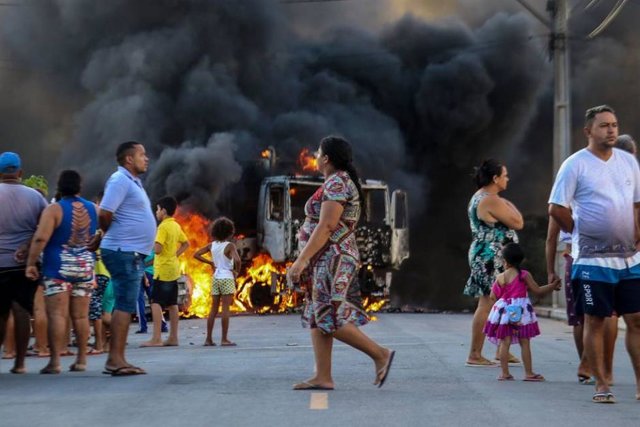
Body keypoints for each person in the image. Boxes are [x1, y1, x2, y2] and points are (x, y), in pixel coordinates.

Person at [287, 136, 394, 390]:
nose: (314, 155)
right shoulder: (337, 182)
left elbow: (327, 226)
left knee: (329, 317)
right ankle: (323, 376)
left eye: (318, 151)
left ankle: (380, 354)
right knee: (317, 315)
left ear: (326, 158)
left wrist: (301, 261)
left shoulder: (337, 183)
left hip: (332, 257)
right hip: (324, 258)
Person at [549, 105, 640, 403]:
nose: (611, 130)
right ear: (588, 131)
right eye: (604, 125)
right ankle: (601, 384)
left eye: (614, 124)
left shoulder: (628, 163)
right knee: (596, 319)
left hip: (629, 259)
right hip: (591, 260)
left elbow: (636, 204)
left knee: (636, 318)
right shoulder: (575, 165)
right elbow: (556, 208)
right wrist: (579, 232)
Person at [89, 141, 156, 376]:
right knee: (125, 305)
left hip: (128, 251)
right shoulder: (119, 180)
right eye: (142, 154)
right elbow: (105, 212)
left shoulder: (132, 182)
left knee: (125, 305)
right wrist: (103, 232)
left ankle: (117, 358)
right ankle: (115, 360)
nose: (146, 158)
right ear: (129, 159)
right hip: (122, 251)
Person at [26, 170, 98, 374]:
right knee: (82, 317)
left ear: (59, 186)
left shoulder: (54, 210)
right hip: (85, 268)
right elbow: (110, 221)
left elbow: (41, 238)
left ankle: (55, 361)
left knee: (57, 315)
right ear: (79, 186)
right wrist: (99, 237)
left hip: (58, 268)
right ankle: (82, 359)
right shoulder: (94, 208)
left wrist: (31, 262)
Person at [464, 159, 523, 367]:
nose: (507, 179)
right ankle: (474, 353)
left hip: (489, 253)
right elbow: (518, 222)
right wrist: (507, 204)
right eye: (504, 175)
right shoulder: (490, 199)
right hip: (491, 256)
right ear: (495, 178)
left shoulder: (482, 197)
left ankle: (501, 349)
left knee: (502, 300)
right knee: (487, 302)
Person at [0, 151, 48, 374]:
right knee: (21, 312)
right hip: (25, 265)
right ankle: (20, 363)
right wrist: (28, 246)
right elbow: (44, 229)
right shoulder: (36, 197)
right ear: (20, 172)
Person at [484, 243, 561, 381]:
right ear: (520, 260)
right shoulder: (524, 275)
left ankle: (504, 373)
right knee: (524, 342)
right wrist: (552, 286)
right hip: (521, 312)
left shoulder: (501, 277)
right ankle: (529, 373)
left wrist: (504, 298)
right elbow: (538, 291)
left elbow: (492, 296)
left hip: (505, 312)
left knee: (504, 342)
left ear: (505, 261)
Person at [141, 196, 188, 347]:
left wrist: (151, 245)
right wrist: (175, 254)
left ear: (164, 211)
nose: (156, 212)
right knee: (172, 303)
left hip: (162, 270)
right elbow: (186, 243)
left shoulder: (162, 227)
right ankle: (173, 337)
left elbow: (158, 249)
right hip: (173, 269)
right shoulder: (175, 226)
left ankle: (156, 338)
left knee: (156, 303)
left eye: (157, 209)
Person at [194, 217, 240, 347]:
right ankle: (224, 339)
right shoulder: (230, 246)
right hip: (227, 278)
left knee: (213, 309)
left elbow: (196, 254)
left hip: (215, 279)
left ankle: (208, 339)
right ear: (230, 232)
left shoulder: (211, 245)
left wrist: (210, 262)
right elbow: (237, 260)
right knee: (225, 309)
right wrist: (237, 272)